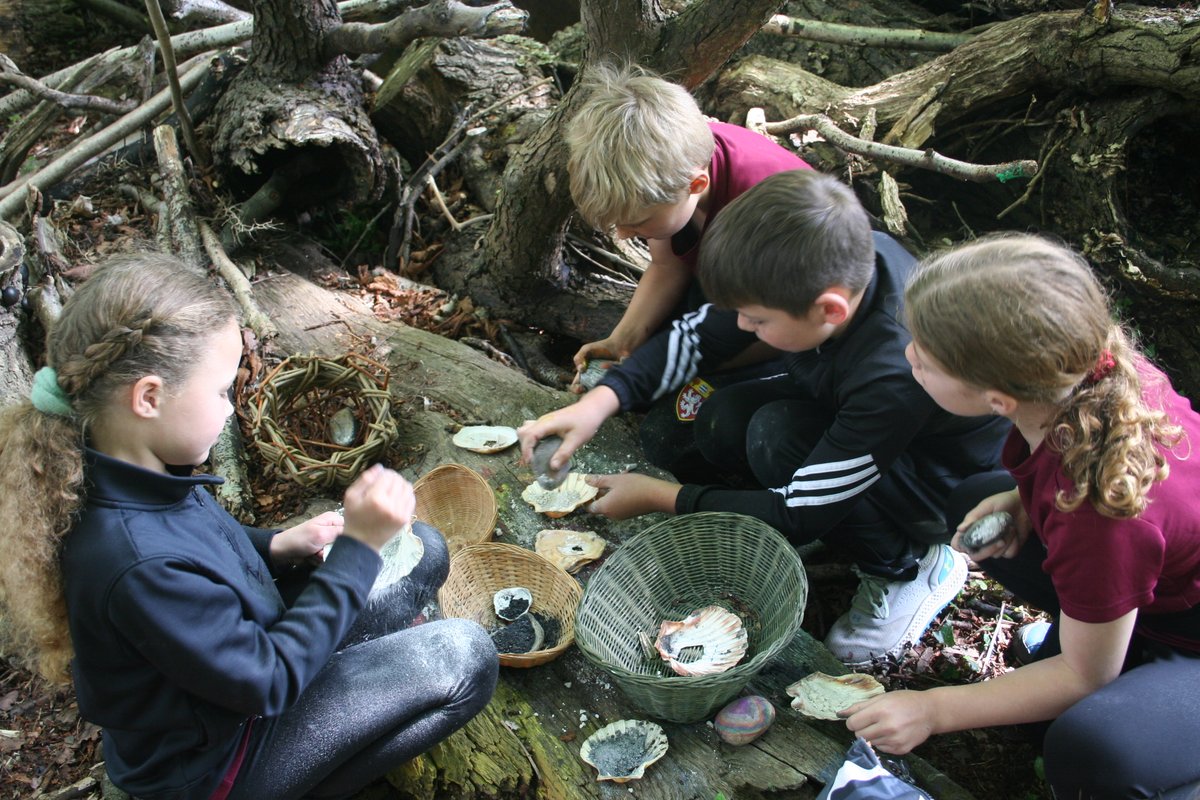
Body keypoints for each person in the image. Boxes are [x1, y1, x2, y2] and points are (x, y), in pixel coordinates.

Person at [0, 254, 498, 800]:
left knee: (422, 550)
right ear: (148, 397)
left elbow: (206, 559)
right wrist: (357, 548)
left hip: (228, 679)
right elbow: (269, 680)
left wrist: (280, 546)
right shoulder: (133, 560)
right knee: (465, 656)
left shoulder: (132, 469)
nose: (231, 407)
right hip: (217, 761)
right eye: (219, 392)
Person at [520, 170, 1010, 664]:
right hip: (847, 403)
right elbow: (701, 334)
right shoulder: (825, 267)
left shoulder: (894, 370)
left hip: (934, 481)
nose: (741, 328)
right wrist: (599, 402)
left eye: (756, 321)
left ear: (829, 311)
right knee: (726, 419)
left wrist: (662, 497)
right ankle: (828, 513)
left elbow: (799, 514)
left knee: (777, 440)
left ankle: (908, 566)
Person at [841, 234, 1200, 800]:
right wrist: (1019, 499)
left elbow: (1086, 676)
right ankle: (1119, 646)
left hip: (1187, 633)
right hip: (1158, 581)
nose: (908, 356)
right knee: (980, 498)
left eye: (925, 359)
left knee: (1092, 749)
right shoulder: (1100, 372)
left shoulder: (1098, 513)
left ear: (998, 399)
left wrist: (933, 708)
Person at [563, 62, 811, 476]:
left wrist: (694, 366)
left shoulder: (770, 207)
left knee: (670, 439)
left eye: (636, 224)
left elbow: (784, 328)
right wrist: (622, 341)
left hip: (787, 329)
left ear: (695, 186)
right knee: (634, 383)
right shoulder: (669, 169)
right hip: (730, 297)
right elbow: (666, 264)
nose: (624, 235)